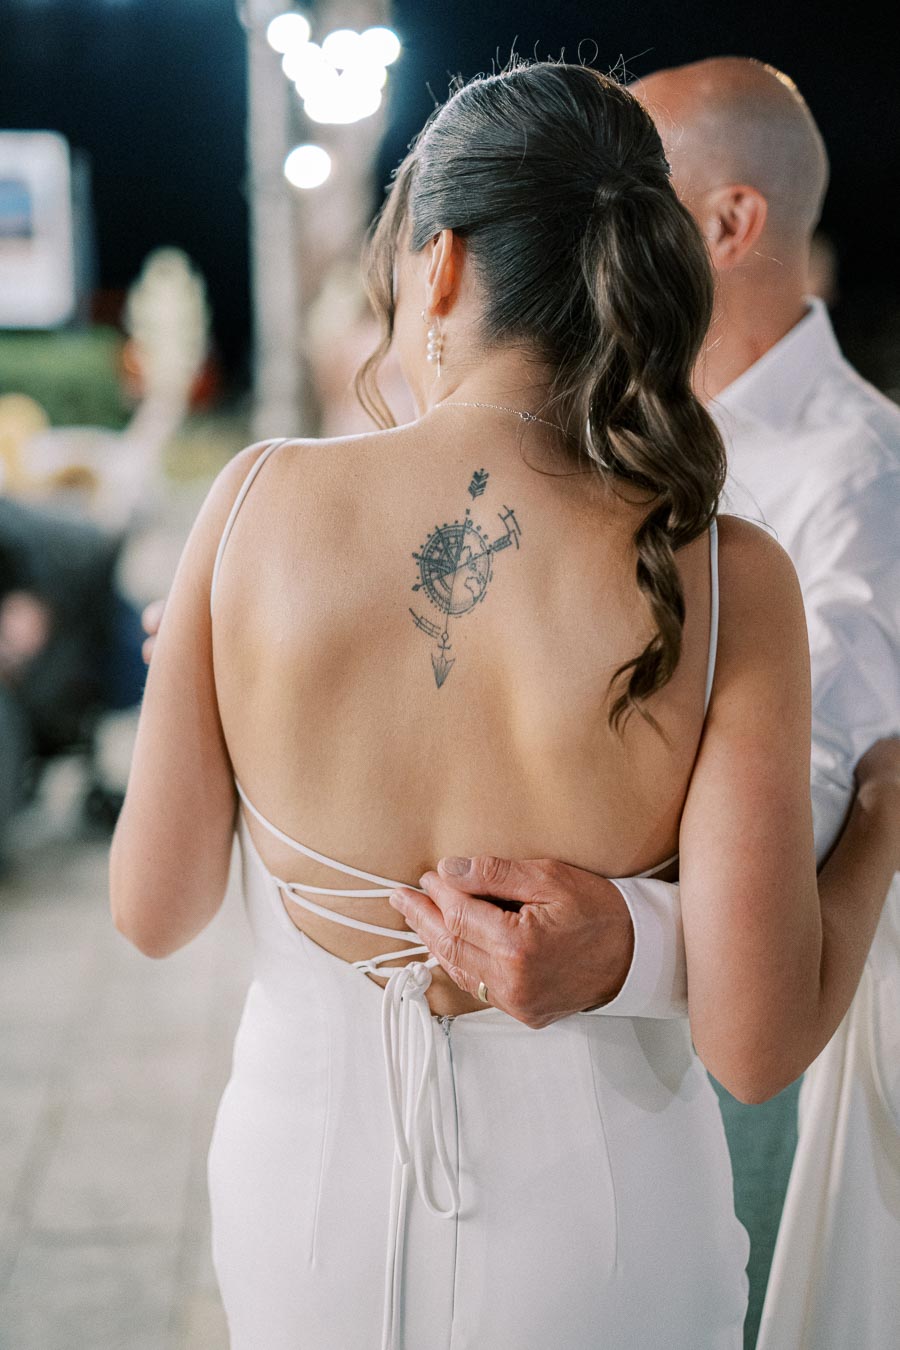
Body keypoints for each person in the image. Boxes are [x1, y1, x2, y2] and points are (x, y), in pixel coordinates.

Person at [111, 61, 900, 1350]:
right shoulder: (729, 570)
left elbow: (156, 911)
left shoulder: (252, 504)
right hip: (606, 1237)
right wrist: (880, 814)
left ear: (440, 264)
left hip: (304, 1213)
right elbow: (758, 1048)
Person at [389, 58, 900, 1350]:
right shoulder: (603, 436)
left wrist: (636, 938)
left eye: (635, 191)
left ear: (726, 226)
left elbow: (835, 788)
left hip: (752, 1048)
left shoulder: (858, 476)